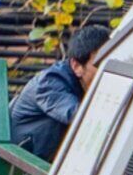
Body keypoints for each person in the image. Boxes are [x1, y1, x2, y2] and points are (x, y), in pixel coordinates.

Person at [8, 32, 97, 161]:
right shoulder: (49, 83)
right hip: (22, 169)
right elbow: (78, 116)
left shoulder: (82, 84)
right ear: (77, 66)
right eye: (99, 65)